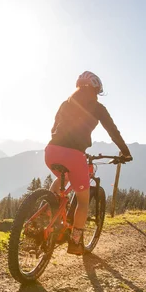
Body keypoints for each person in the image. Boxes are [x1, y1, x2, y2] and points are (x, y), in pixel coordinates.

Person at [45, 71, 132, 255]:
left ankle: (44, 213)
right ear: (95, 89)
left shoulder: (66, 103)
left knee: (63, 177)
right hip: (75, 155)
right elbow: (113, 131)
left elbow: (54, 127)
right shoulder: (98, 107)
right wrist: (125, 152)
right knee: (83, 201)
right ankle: (75, 243)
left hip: (51, 151)